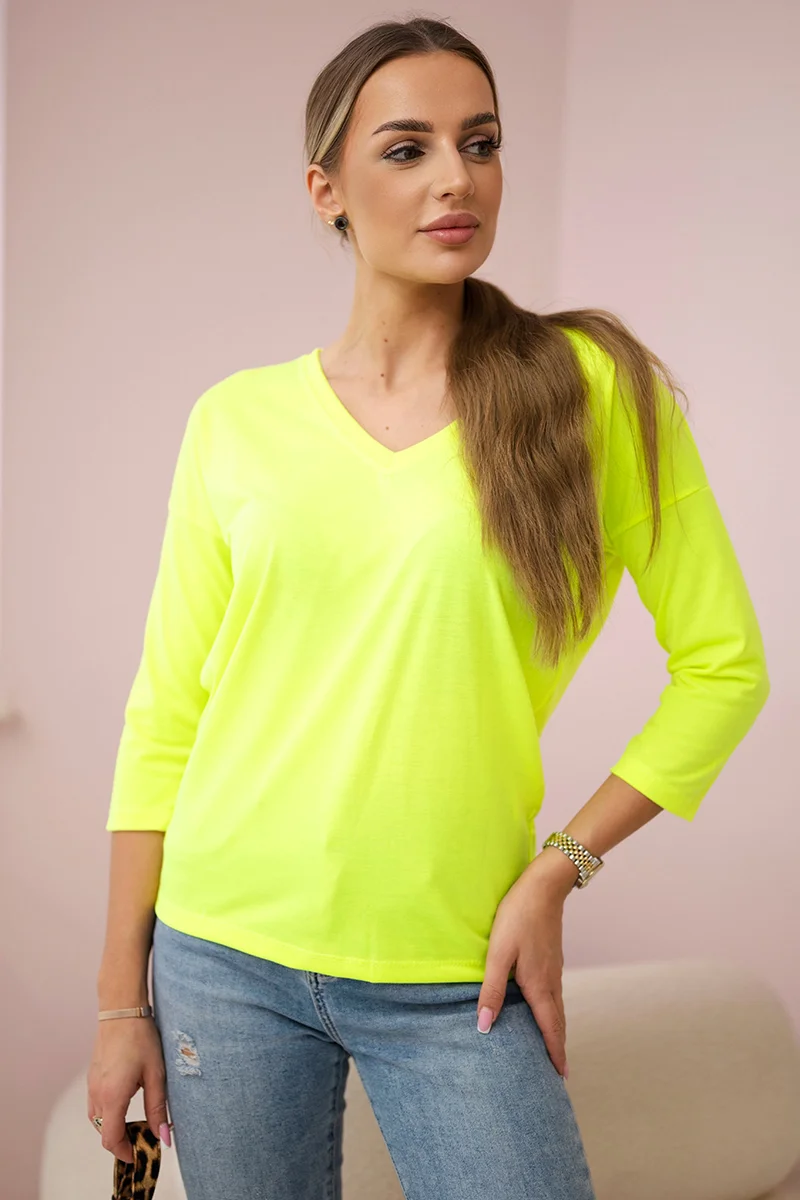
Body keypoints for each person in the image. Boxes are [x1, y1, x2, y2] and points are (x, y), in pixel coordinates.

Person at [87, 16, 770, 1199]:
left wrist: (558, 869)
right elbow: (164, 719)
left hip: (458, 966)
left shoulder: (589, 393)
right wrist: (116, 1004)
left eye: (480, 143)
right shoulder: (235, 421)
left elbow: (724, 668)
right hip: (220, 953)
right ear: (326, 190)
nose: (455, 177)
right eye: (406, 149)